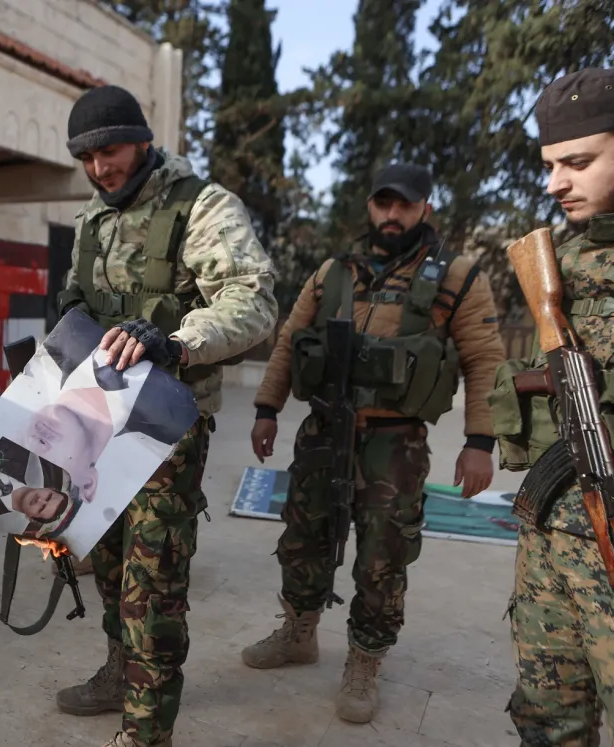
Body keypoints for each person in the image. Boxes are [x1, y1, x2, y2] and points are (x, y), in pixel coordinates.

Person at [54, 84, 279, 747]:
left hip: (165, 424)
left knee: (151, 580)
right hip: (97, 418)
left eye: (111, 151)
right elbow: (76, 300)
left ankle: (147, 728)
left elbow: (253, 299)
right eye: (86, 158)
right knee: (105, 556)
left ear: (144, 140)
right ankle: (118, 671)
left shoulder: (201, 207)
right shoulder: (92, 219)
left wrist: (176, 341)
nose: (100, 169)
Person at [243, 162, 506, 723]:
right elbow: (289, 341)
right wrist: (266, 408)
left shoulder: (457, 274)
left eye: (405, 205)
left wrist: (480, 440)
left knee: (383, 556)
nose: (392, 215)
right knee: (303, 537)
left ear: (424, 209)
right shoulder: (334, 271)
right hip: (322, 430)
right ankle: (299, 632)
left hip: (396, 441)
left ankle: (364, 661)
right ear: (369, 207)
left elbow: (486, 360)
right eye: (383, 204)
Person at [491, 67, 614, 745]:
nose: (555, 183)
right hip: (551, 533)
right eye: (550, 165)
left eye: (579, 162)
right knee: (546, 717)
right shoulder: (560, 260)